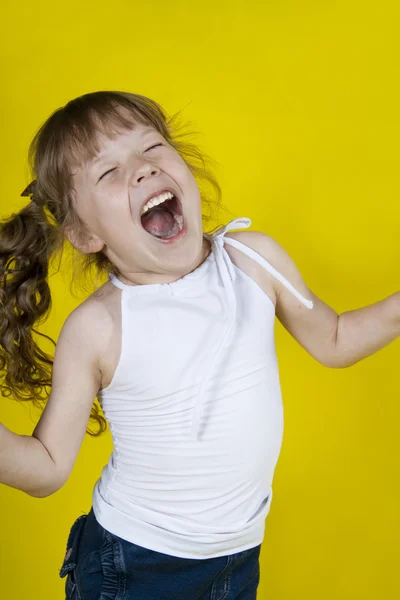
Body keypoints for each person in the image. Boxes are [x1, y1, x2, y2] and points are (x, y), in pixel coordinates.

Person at [0, 91, 399, 600]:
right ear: (82, 234)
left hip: (237, 555)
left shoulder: (253, 261)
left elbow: (335, 339)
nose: (143, 170)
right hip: (133, 563)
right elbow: (47, 465)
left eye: (151, 148)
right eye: (109, 173)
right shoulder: (99, 325)